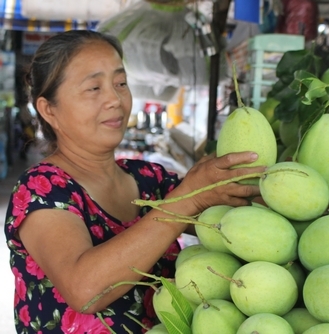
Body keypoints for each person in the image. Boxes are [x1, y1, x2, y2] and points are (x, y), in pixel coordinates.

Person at [3, 30, 265, 333]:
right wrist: (189, 198)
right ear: (49, 110)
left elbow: (234, 210)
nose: (115, 100)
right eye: (93, 88)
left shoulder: (149, 179)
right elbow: (85, 290)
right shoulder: (41, 189)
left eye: (120, 83)